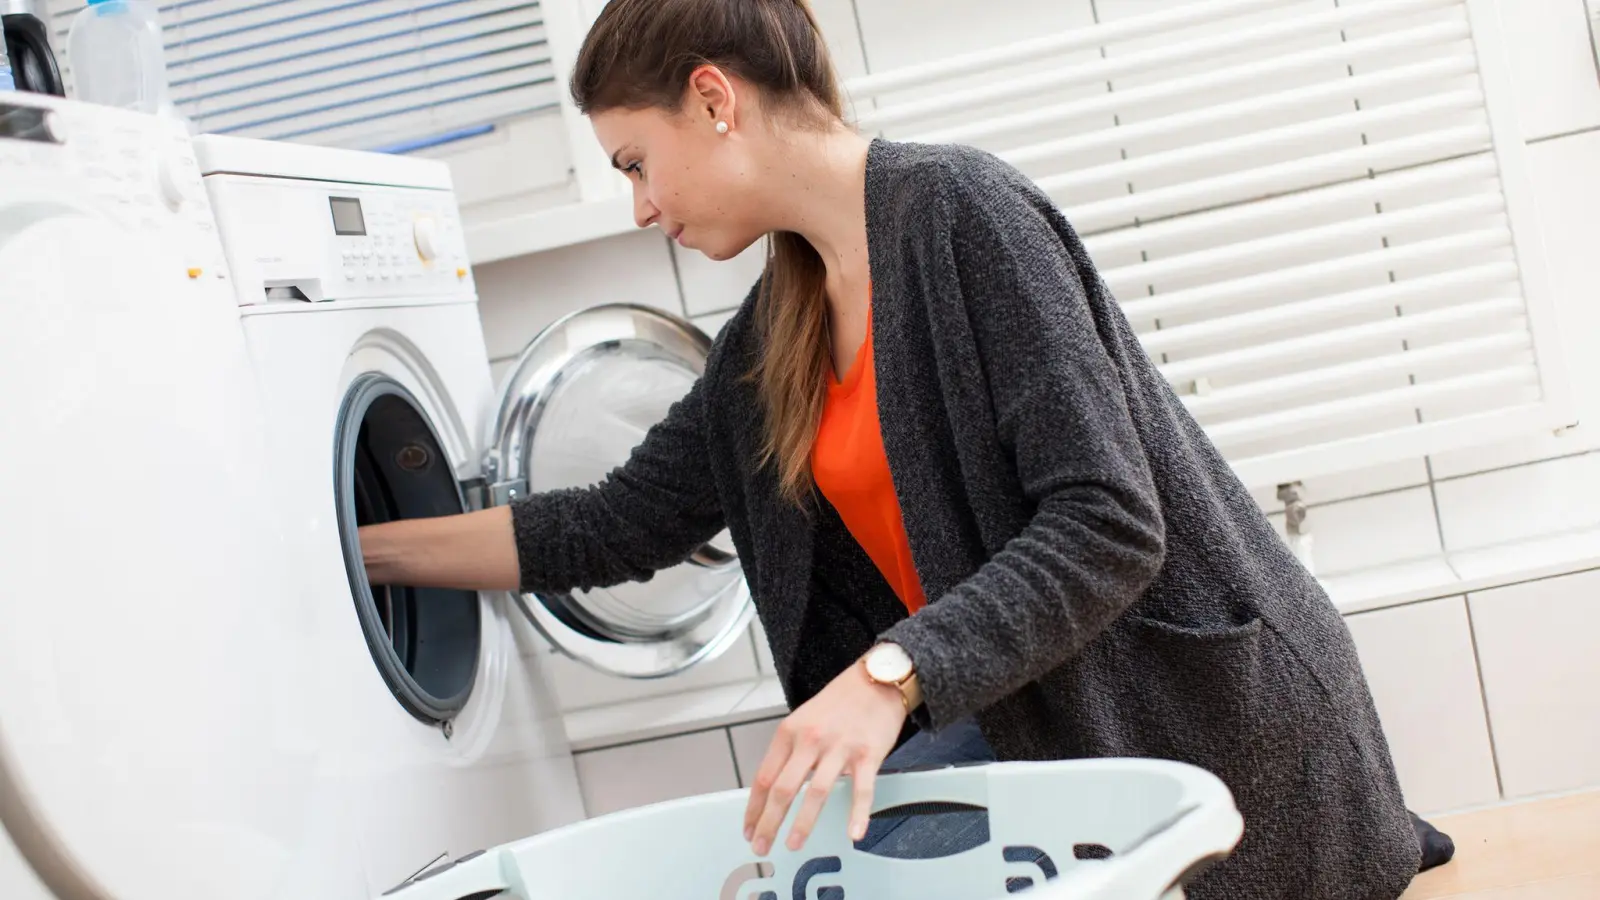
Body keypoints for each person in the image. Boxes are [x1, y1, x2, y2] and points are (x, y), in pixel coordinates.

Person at [355, 0, 1458, 895]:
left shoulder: (961, 214)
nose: (641, 205)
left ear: (712, 98)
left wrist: (889, 677)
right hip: (1026, 730)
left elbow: (1108, 525)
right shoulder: (776, 328)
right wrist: (357, 554)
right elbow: (612, 525)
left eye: (637, 161)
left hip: (1195, 727)